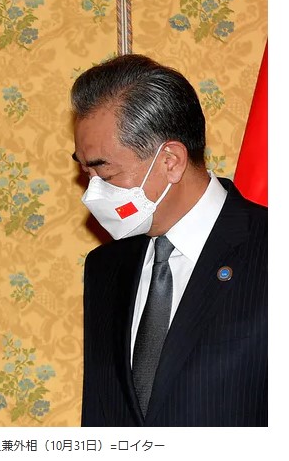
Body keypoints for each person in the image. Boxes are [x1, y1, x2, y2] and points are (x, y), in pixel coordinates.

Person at [71, 54, 267, 426]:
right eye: (86, 172)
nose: (92, 193)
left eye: (105, 173)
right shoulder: (104, 268)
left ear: (171, 161)